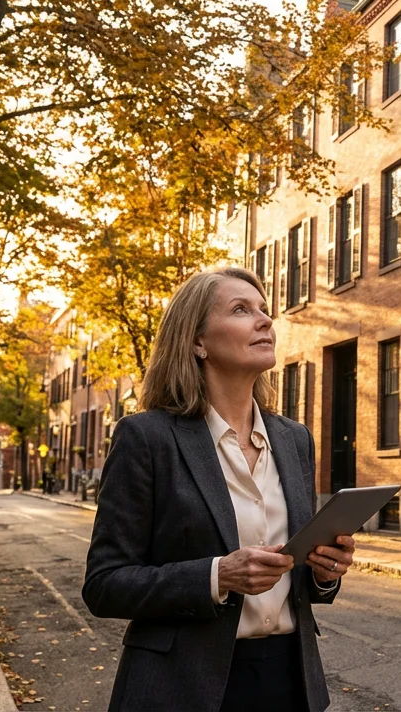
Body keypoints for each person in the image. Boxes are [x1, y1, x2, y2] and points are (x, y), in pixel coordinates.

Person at [82, 267, 354, 711]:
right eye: (241, 310)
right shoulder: (147, 438)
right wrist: (216, 576)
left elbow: (301, 583)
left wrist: (325, 573)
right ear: (197, 341)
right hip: (181, 688)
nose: (265, 320)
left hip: (290, 682)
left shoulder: (294, 439)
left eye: (264, 310)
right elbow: (104, 584)